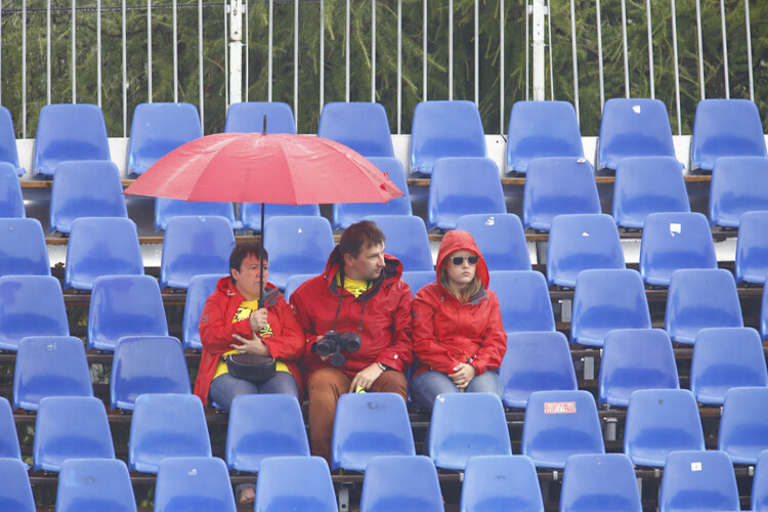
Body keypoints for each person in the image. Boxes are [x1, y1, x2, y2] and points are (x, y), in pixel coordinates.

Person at [290, 220, 413, 463]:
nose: (382, 262)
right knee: (322, 384)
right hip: (331, 369)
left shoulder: (398, 290)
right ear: (349, 259)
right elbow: (293, 339)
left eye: (382, 253)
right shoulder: (308, 293)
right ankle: (325, 468)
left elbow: (407, 341)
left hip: (378, 368)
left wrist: (380, 366)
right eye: (373, 256)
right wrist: (316, 344)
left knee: (394, 383)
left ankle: (390, 464)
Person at [193, 242, 305, 409]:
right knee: (246, 404)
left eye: (265, 268)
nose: (261, 274)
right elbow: (209, 338)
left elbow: (297, 342)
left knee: (286, 402)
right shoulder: (218, 300)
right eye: (253, 268)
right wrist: (247, 326)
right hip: (228, 368)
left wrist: (266, 348)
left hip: (274, 366)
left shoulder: (277, 301)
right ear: (235, 273)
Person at [410, 229, 506, 412]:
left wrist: (473, 368)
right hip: (434, 370)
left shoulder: (489, 299)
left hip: (477, 369)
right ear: (445, 264)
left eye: (472, 260)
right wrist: (454, 367)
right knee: (451, 407)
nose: (466, 265)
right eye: (458, 260)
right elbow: (423, 343)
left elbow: (496, 342)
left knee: (486, 405)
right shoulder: (425, 297)